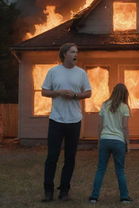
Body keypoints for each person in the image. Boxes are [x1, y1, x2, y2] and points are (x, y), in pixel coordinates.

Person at [41, 43, 91, 202]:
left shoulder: (81, 73)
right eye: (72, 52)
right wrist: (59, 92)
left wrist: (75, 96)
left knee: (70, 158)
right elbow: (44, 91)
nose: (76, 54)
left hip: (74, 121)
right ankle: (48, 191)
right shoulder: (53, 71)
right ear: (64, 54)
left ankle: (64, 191)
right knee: (52, 156)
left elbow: (88, 93)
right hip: (56, 120)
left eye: (76, 52)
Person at [89, 83, 132, 204]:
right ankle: (124, 197)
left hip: (104, 140)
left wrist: (99, 141)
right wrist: (127, 143)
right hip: (118, 141)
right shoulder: (124, 107)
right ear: (125, 94)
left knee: (100, 169)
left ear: (113, 92)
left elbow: (100, 125)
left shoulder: (104, 105)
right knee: (120, 170)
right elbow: (124, 127)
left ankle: (94, 197)